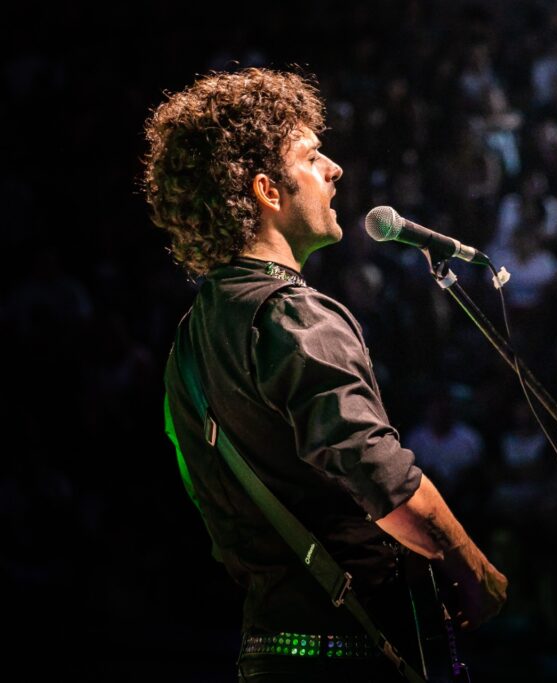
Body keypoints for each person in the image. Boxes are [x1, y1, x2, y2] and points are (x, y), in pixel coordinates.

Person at [143, 67, 507, 682]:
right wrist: (475, 572)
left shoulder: (191, 337)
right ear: (268, 190)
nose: (334, 169)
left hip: (266, 652)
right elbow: (385, 481)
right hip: (349, 654)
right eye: (312, 157)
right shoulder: (293, 315)